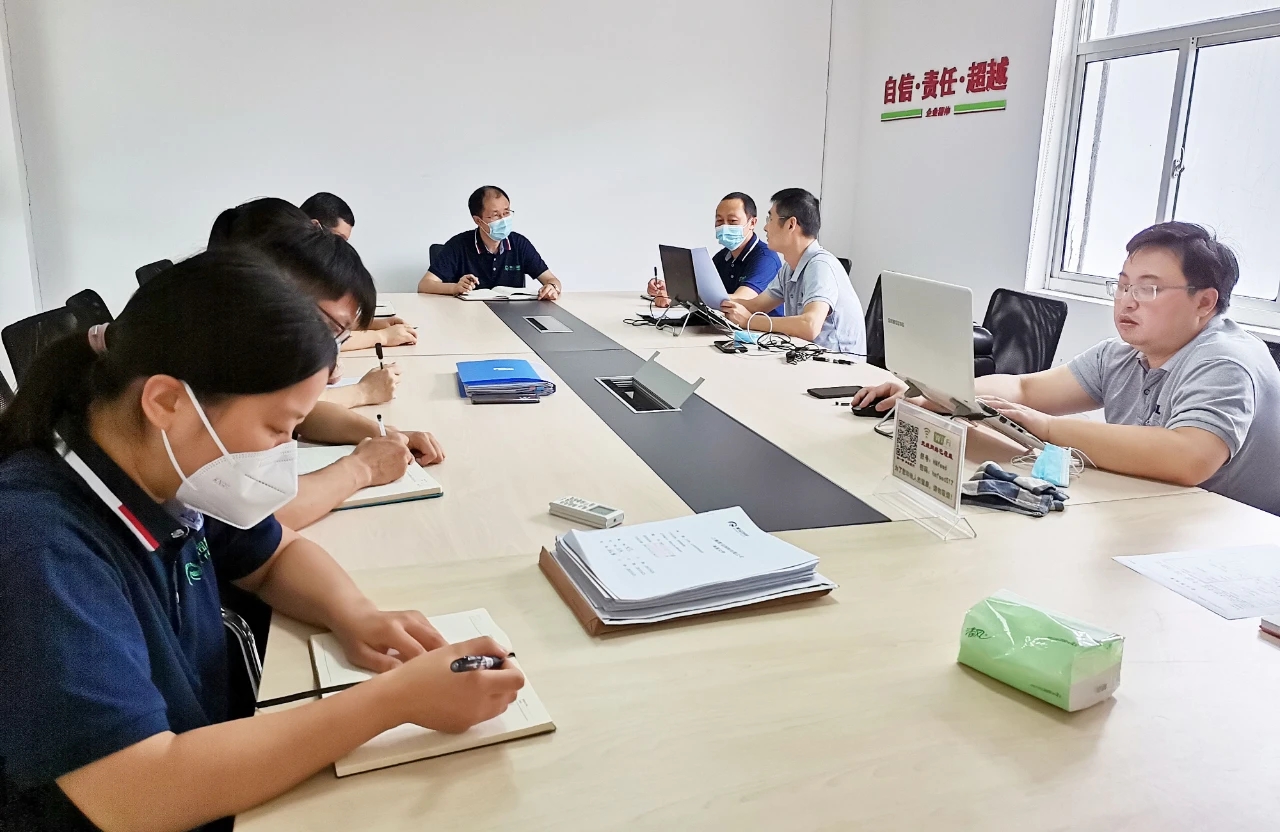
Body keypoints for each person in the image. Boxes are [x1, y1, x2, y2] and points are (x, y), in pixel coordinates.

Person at [0, 252, 524, 831]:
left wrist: (356, 614)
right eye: (277, 428)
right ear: (167, 402)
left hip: (213, 751)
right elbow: (137, 793)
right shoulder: (39, 545)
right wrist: (394, 700)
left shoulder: (167, 469)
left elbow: (274, 555)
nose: (283, 452)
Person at [852, 222, 1280, 515]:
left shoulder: (1225, 361)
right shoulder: (1121, 354)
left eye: (1147, 289)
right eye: (1122, 285)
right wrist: (938, 391)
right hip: (1152, 514)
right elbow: (1025, 389)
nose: (1126, 300)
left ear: (1204, 302)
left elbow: (1189, 457)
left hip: (1227, 542)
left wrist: (1047, 428)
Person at [209, 200, 445, 530]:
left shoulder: (253, 348)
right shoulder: (216, 360)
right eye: (330, 328)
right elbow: (250, 516)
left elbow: (302, 416)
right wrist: (361, 469)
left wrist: (386, 435)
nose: (331, 360)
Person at [719, 188, 866, 355]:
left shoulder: (820, 266)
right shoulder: (790, 268)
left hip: (838, 364)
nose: (766, 227)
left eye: (770, 219)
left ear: (791, 224)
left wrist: (748, 321)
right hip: (807, 355)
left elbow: (809, 326)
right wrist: (711, 299)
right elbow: (756, 305)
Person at [293, 192, 418, 351]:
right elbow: (314, 340)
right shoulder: (284, 268)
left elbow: (323, 321)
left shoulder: (307, 262)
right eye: (338, 239)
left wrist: (372, 324)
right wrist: (382, 336)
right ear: (314, 226)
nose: (341, 249)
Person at [417, 186, 563, 299]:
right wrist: (455, 287)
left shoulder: (519, 244)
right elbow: (424, 285)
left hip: (511, 317)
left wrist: (552, 287)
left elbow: (552, 279)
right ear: (478, 220)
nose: (503, 220)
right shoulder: (458, 245)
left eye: (506, 212)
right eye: (495, 215)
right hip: (466, 317)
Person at [647, 192, 782, 314]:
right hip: (728, 327)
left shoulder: (766, 258)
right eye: (719, 221)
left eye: (732, 221)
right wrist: (669, 288)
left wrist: (679, 296)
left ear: (752, 223)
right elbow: (700, 288)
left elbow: (742, 299)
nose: (724, 226)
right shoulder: (723, 256)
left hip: (763, 331)